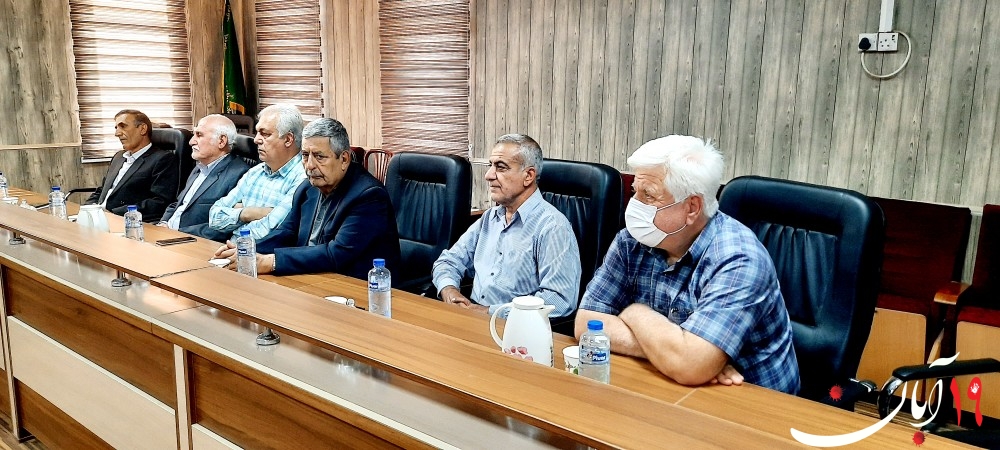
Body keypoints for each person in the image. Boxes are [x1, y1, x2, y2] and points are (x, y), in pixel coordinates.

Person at [575, 135, 799, 394]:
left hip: (753, 400)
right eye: (635, 191)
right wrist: (672, 353)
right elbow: (586, 324)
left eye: (648, 195)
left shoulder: (739, 258)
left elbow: (690, 365)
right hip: (671, 384)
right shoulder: (630, 241)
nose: (634, 204)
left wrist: (635, 313)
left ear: (692, 207)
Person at [213, 118, 400, 280]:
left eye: (319, 156)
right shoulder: (307, 187)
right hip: (310, 277)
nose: (309, 165)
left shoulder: (369, 196)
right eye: (305, 155)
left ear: (344, 159)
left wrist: (271, 262)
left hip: (358, 287)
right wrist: (248, 250)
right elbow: (286, 232)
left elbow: (336, 253)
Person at [432, 134, 581, 318]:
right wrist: (450, 291)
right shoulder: (490, 217)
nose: (488, 175)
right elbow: (448, 261)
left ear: (528, 176)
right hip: (471, 317)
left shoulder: (553, 227)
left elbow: (559, 300)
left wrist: (490, 313)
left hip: (516, 328)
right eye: (490, 166)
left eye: (500, 167)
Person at [208, 104, 306, 240]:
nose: (256, 140)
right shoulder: (255, 173)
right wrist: (248, 213)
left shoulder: (302, 178)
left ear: (288, 139)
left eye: (265, 134)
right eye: (257, 132)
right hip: (232, 248)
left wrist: (236, 211)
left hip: (258, 251)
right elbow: (214, 217)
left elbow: (270, 230)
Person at [157, 115, 251, 242]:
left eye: (199, 135)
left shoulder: (240, 174)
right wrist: (163, 223)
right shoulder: (199, 167)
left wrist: (177, 233)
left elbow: (225, 226)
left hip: (191, 242)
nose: (191, 142)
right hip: (167, 235)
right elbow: (179, 204)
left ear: (221, 141)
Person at [86, 109, 179, 222]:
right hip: (99, 217)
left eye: (123, 126)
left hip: (125, 221)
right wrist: (86, 209)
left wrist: (113, 214)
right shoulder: (118, 157)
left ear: (142, 129)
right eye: (116, 128)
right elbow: (102, 190)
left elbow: (160, 202)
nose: (117, 133)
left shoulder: (162, 159)